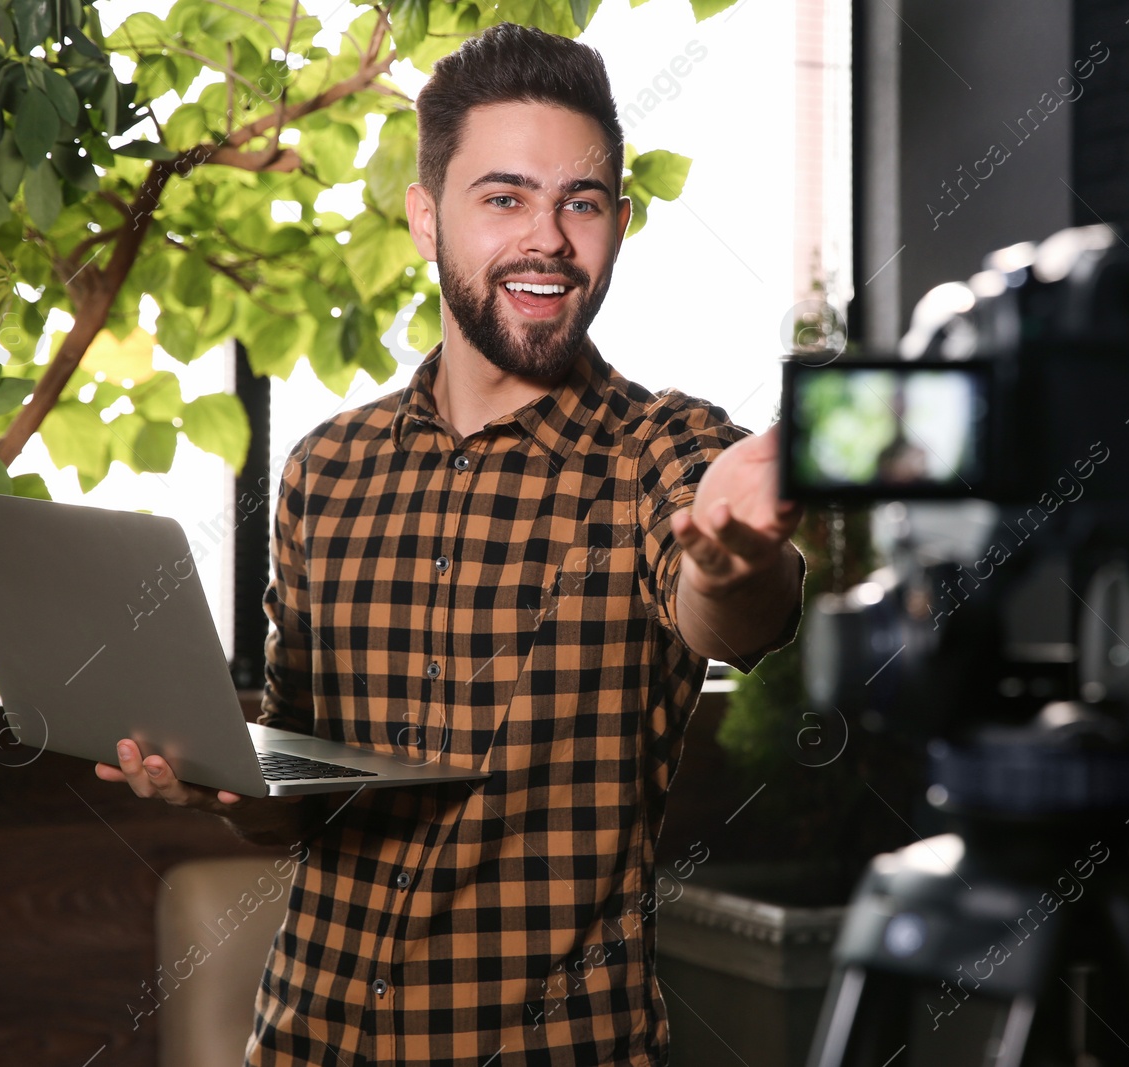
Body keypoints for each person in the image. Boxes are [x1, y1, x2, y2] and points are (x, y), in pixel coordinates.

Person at [96, 21, 806, 1066]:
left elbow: (732, 605)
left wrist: (730, 556)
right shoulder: (324, 469)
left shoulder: (670, 447)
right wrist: (219, 779)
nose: (550, 240)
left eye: (583, 202)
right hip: (303, 1042)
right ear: (427, 220)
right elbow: (298, 799)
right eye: (505, 196)